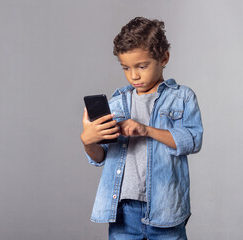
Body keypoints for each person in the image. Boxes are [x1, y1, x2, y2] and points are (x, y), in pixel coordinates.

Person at [81, 17, 203, 240]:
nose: (133, 75)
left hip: (166, 208)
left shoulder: (182, 98)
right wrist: (88, 141)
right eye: (126, 68)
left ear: (164, 58)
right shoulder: (118, 102)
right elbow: (101, 157)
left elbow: (192, 140)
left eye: (142, 66)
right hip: (123, 212)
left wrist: (147, 130)